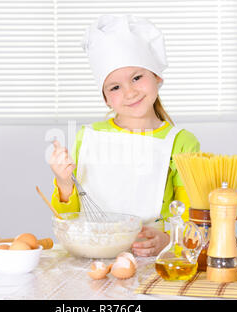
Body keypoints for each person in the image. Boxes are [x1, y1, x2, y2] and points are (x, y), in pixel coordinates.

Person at [48, 14, 200, 257]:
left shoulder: (182, 142)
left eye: (137, 77)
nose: (130, 92)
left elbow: (190, 217)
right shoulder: (87, 137)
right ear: (105, 97)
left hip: (150, 258)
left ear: (156, 77)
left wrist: (167, 239)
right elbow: (70, 215)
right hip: (92, 255)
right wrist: (64, 182)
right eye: (115, 87)